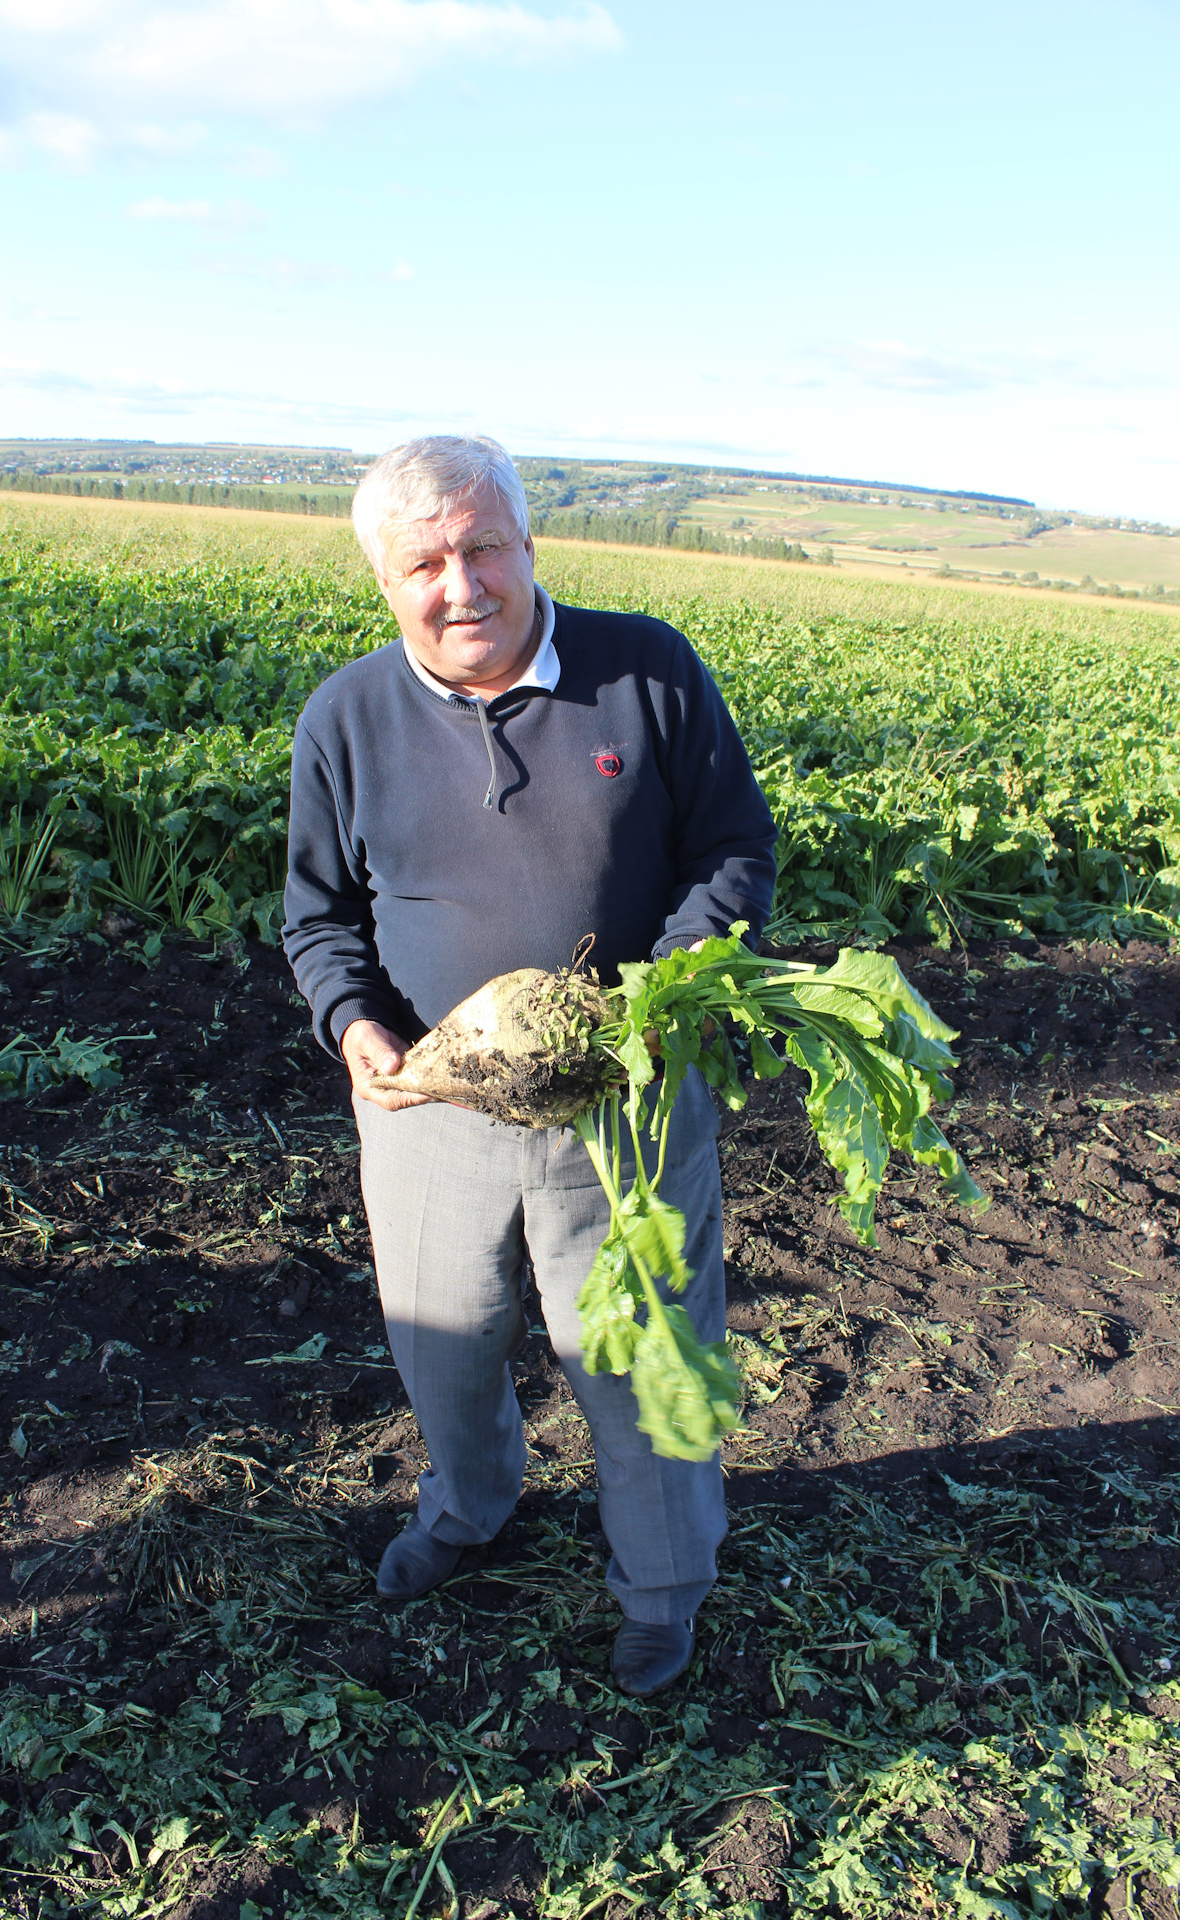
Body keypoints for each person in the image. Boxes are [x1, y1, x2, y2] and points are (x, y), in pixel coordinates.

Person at [283, 435, 777, 1696]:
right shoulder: (346, 715)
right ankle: (468, 1509)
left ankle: (663, 1586)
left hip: (626, 1100)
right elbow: (318, 915)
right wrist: (356, 1025)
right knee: (441, 1341)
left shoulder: (645, 672)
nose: (462, 585)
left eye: (482, 546)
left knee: (637, 1354)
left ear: (525, 542)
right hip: (427, 1103)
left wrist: (658, 997)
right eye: (424, 562)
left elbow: (730, 855)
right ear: (385, 580)